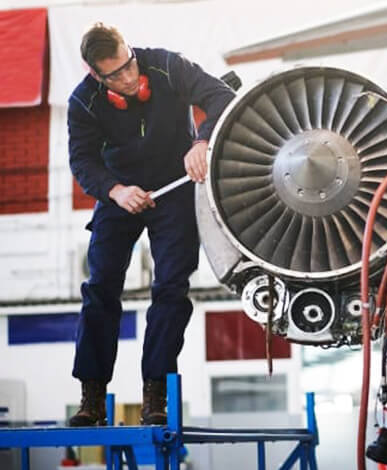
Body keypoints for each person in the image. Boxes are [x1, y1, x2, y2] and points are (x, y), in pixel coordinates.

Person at [67, 23, 235, 426]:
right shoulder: (83, 102)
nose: (129, 77)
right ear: (96, 74)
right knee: (101, 286)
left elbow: (221, 97)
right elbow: (83, 161)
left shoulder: (166, 66)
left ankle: (155, 392)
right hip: (119, 195)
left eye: (129, 65)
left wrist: (202, 141)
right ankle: (92, 393)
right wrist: (115, 190)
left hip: (175, 191)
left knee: (171, 289)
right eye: (116, 74)